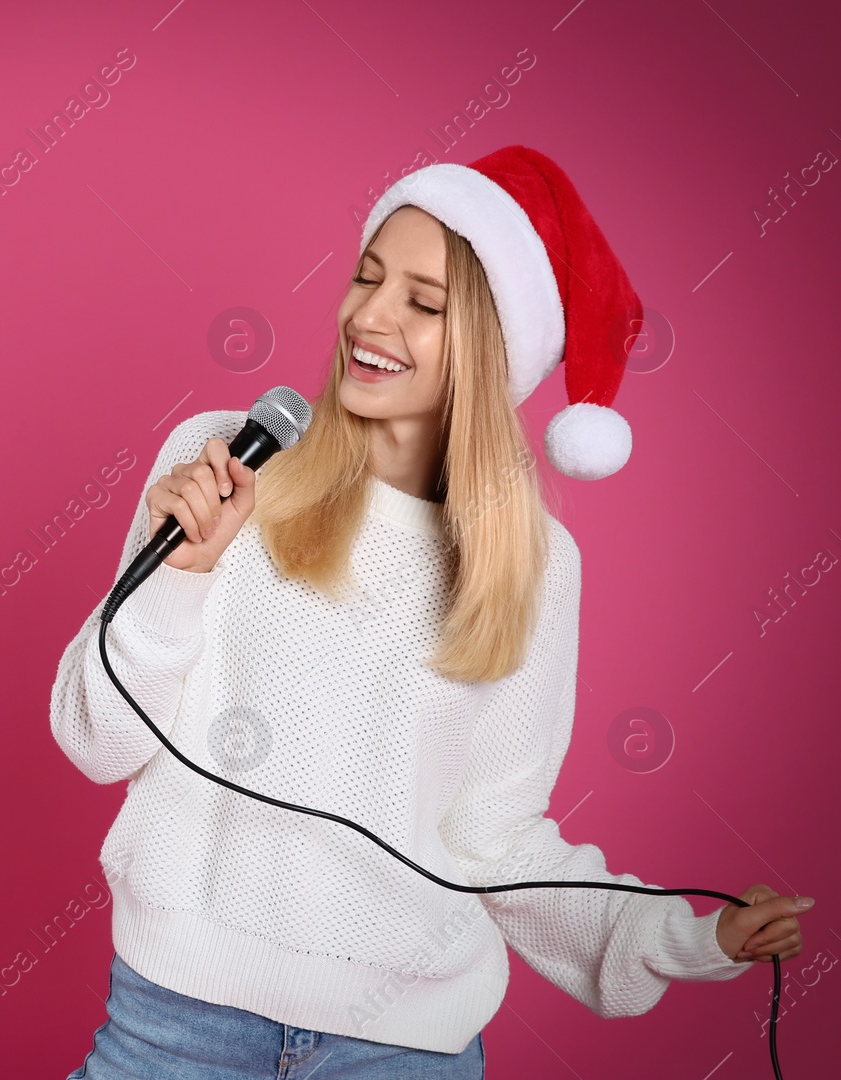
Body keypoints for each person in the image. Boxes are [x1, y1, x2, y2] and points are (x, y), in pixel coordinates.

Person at [48, 146, 813, 1079]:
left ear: (493, 346)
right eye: (368, 278)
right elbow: (97, 741)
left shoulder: (537, 566)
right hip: (178, 1027)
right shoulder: (225, 462)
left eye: (423, 301)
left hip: (404, 1050)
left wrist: (688, 936)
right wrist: (181, 575)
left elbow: (497, 837)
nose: (369, 316)